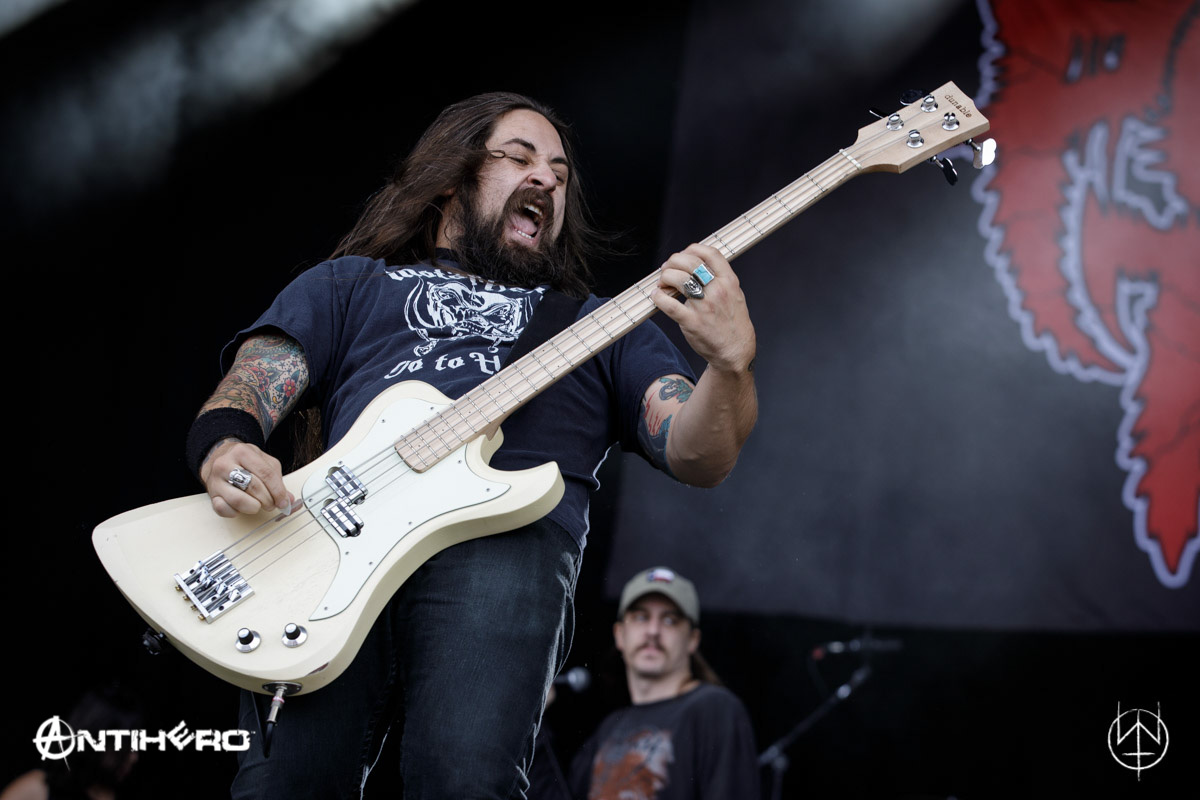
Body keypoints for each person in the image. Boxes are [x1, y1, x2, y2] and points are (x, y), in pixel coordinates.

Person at [185, 92, 757, 799]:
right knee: (283, 785)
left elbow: (699, 453)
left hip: (504, 544)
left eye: (559, 173)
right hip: (328, 544)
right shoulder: (352, 285)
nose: (546, 179)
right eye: (519, 158)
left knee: (463, 780)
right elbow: (252, 384)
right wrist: (227, 447)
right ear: (453, 177)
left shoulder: (601, 326)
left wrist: (730, 366)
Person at [568, 567, 760, 799]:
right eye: (641, 617)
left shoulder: (715, 709)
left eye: (670, 620)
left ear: (693, 639)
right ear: (619, 634)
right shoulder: (610, 727)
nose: (653, 631)